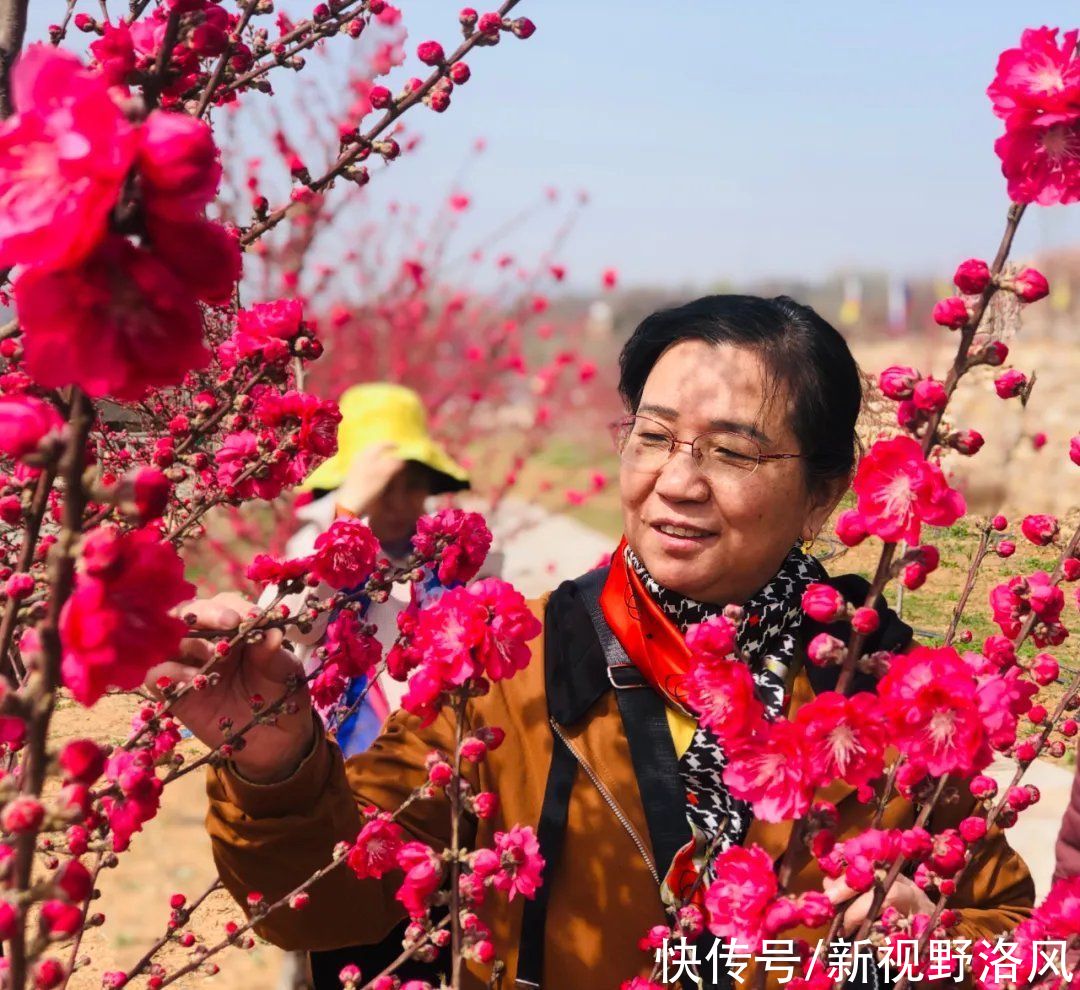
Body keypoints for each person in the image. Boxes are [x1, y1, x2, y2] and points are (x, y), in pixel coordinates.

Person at [160, 296, 1034, 990]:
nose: (676, 481)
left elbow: (1010, 936)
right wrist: (277, 766)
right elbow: (326, 903)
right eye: (652, 437)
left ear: (824, 491)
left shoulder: (883, 692)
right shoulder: (514, 666)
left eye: (732, 452)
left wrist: (927, 952)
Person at [273, 381, 483, 756]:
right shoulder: (314, 540)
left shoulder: (447, 552)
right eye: (385, 488)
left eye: (412, 485)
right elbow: (293, 624)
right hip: (339, 750)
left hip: (432, 747)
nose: (400, 502)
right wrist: (345, 520)